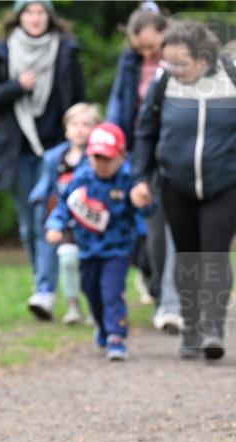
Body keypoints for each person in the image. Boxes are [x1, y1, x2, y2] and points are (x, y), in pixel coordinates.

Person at [0, 0, 86, 321]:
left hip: (55, 151)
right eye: (29, 12)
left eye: (40, 13)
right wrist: (16, 87)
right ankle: (44, 285)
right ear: (19, 17)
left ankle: (46, 291)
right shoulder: (0, 52)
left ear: (49, 18)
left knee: (49, 220)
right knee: (28, 224)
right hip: (17, 152)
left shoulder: (66, 50)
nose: (35, 18)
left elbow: (79, 98)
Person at [131, 20, 236, 360]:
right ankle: (191, 326)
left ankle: (213, 329)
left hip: (225, 184)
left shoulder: (231, 78)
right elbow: (145, 131)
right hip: (176, 184)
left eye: (182, 64)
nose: (174, 70)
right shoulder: (164, 82)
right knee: (187, 255)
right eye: (169, 62)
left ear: (204, 59)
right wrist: (140, 178)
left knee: (216, 254)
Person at [107, 1, 184, 335]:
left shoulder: (187, 60)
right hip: (142, 152)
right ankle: (155, 286)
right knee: (154, 233)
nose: (149, 54)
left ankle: (173, 303)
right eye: (142, 49)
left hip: (180, 155)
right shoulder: (130, 64)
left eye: (153, 47)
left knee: (177, 233)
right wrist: (114, 144)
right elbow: (119, 106)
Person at [45, 123, 146, 361]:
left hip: (117, 250)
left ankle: (116, 336)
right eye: (97, 158)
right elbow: (64, 206)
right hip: (88, 249)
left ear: (121, 156)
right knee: (91, 291)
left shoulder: (129, 179)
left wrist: (144, 205)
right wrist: (55, 226)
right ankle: (102, 326)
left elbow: (143, 212)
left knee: (111, 292)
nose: (102, 164)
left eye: (107, 159)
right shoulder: (81, 178)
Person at [28, 102, 102, 325]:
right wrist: (38, 200)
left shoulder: (99, 158)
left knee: (93, 266)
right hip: (64, 219)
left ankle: (95, 306)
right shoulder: (54, 158)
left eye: (86, 124)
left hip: (92, 222)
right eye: (75, 124)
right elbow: (45, 184)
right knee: (68, 259)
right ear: (66, 129)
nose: (80, 129)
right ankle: (73, 306)